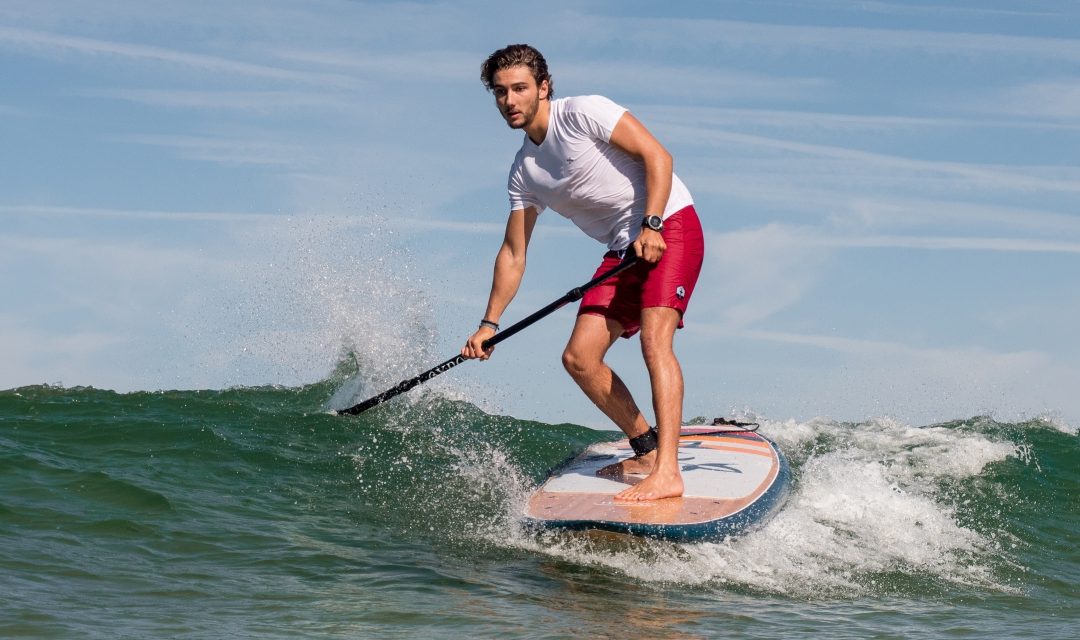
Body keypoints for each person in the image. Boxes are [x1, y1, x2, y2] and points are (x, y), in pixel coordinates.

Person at [461, 44, 705, 502]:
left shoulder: (584, 113)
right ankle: (647, 448)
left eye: (519, 89)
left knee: (655, 341)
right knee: (579, 358)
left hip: (669, 224)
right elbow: (514, 252)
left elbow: (659, 157)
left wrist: (651, 223)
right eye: (499, 92)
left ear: (544, 87)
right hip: (622, 249)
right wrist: (488, 323)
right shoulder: (524, 172)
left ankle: (669, 471)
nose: (509, 101)